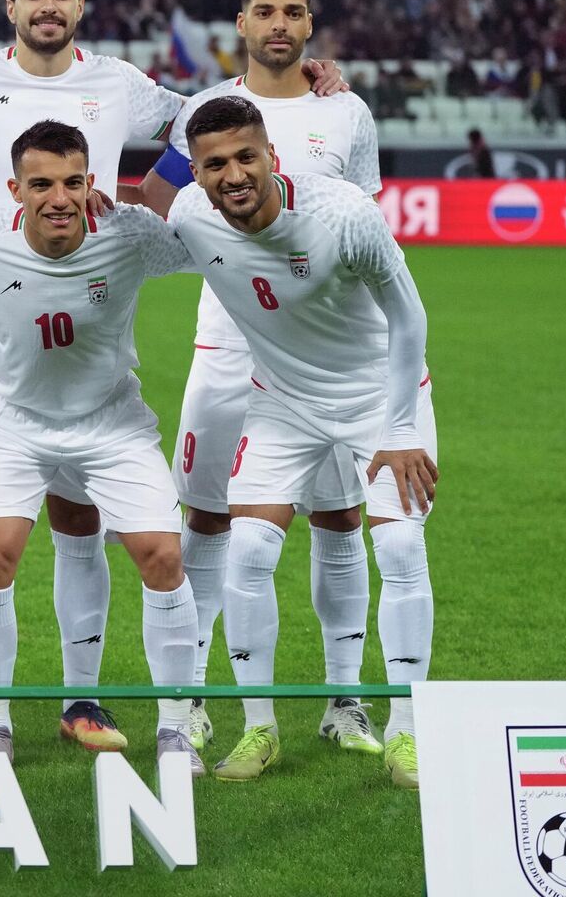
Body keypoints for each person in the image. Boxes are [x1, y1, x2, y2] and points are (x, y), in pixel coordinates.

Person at [0, 121, 203, 774]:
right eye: (41, 184)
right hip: (13, 424)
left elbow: (210, 242)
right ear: (15, 190)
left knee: (163, 556)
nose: (59, 198)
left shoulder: (130, 235)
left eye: (72, 182)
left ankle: (175, 732)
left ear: (92, 183)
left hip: (111, 421)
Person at [137, 0, 384, 758]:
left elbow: (367, 228)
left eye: (294, 12)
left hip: (324, 356)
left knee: (339, 516)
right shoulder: (205, 112)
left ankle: (345, 701)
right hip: (228, 345)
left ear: (310, 24)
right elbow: (159, 204)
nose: (280, 24)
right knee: (208, 518)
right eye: (265, 11)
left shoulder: (345, 111)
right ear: (241, 23)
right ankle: (194, 698)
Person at [168, 96, 437, 789]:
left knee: (400, 547)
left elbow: (409, 316)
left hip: (380, 400)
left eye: (246, 157)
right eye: (215, 164)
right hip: (283, 402)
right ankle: (258, 727)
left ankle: (407, 731)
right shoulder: (190, 216)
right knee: (248, 550)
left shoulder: (343, 213)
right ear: (195, 173)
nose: (234, 175)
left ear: (272, 157)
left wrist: (400, 429)